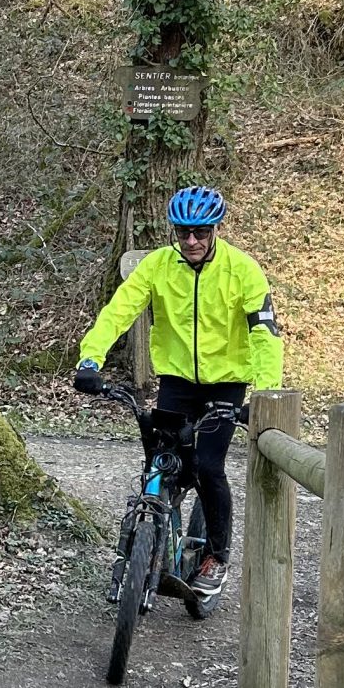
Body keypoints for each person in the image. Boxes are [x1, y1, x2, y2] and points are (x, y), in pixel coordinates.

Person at [73, 185, 283, 597]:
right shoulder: (157, 266)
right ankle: (151, 544)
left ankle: (217, 556)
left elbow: (264, 334)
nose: (191, 241)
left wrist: (267, 393)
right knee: (163, 464)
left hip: (226, 381)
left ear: (215, 230)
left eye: (201, 232)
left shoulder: (243, 270)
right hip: (176, 381)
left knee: (207, 467)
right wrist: (90, 359)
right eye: (184, 232)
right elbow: (119, 311)